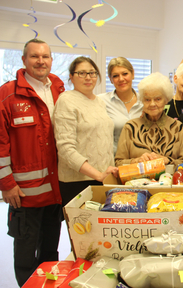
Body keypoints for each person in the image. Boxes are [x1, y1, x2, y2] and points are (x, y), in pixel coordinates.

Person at [0, 39, 64, 287]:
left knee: (50, 253)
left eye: (45, 56)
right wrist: (6, 183)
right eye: (35, 56)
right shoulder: (8, 95)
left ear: (51, 59)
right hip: (24, 194)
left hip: (54, 191)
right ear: (24, 60)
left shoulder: (58, 89)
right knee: (26, 256)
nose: (41, 61)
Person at [53, 57, 118, 209]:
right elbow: (65, 149)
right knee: (84, 231)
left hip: (103, 179)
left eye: (92, 73)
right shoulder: (66, 101)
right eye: (82, 73)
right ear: (71, 76)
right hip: (78, 182)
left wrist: (104, 176)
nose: (88, 77)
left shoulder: (99, 102)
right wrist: (98, 175)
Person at [115, 72, 183, 166]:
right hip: (137, 180)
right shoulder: (130, 127)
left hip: (169, 179)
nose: (152, 104)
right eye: (147, 99)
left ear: (166, 100)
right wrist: (136, 161)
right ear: (142, 100)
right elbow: (118, 163)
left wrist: (168, 160)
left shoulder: (177, 127)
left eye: (158, 99)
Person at [98, 57, 143, 155]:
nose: (121, 79)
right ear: (110, 79)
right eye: (115, 76)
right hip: (114, 161)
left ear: (133, 74)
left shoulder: (146, 101)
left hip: (142, 161)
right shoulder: (101, 101)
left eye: (125, 74)